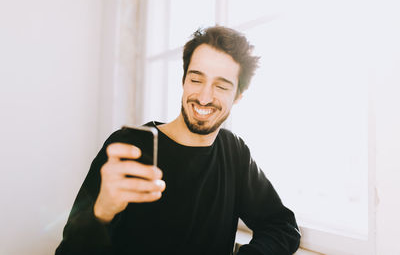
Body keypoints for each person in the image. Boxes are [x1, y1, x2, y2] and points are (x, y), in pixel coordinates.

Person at [56, 26, 301, 255]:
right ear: (184, 81)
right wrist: (102, 212)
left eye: (221, 86)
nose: (204, 97)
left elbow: (282, 227)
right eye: (196, 80)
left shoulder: (235, 152)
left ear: (238, 96)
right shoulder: (128, 145)